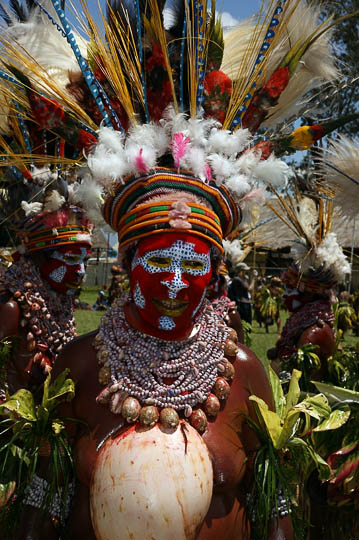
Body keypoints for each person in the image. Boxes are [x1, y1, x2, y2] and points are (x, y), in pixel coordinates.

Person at [1, 0, 343, 537]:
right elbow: (41, 508)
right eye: (159, 259)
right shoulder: (80, 369)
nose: (177, 281)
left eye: (194, 263)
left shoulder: (246, 373)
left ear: (215, 271)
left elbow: (272, 511)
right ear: (128, 262)